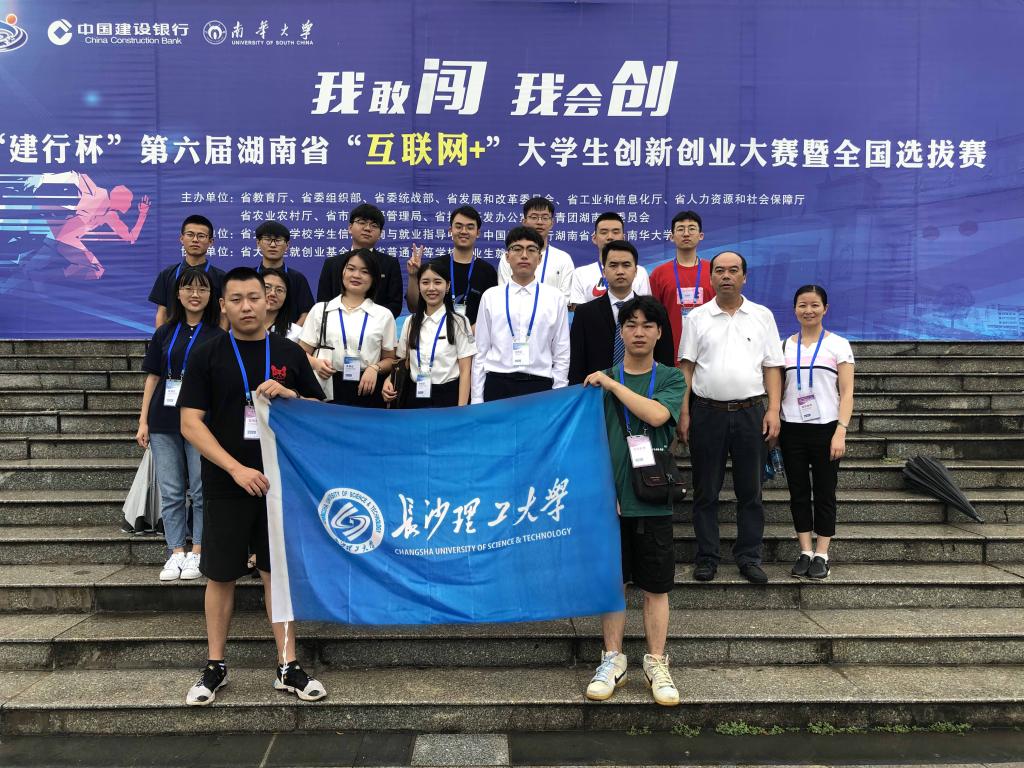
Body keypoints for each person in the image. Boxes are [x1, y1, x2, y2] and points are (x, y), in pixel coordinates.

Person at [178, 266, 327, 706]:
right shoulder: (206, 353)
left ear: (269, 300)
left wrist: (293, 396)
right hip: (227, 482)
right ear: (223, 305)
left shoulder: (289, 353)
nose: (247, 306)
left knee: (275, 573)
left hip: (280, 483)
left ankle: (287, 664)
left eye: (254, 298)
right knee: (220, 574)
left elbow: (320, 413)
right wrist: (235, 469)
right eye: (237, 299)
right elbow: (190, 423)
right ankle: (215, 665)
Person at [582, 296, 686, 707]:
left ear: (659, 333)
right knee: (614, 584)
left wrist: (612, 385)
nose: (638, 332)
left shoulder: (670, 377)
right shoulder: (598, 380)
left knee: (656, 586)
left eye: (647, 325)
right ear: (621, 332)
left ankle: (657, 662)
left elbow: (657, 416)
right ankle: (612, 659)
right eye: (630, 325)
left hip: (653, 498)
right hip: (608, 500)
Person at [678, 251, 784, 584]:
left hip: (751, 412)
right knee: (705, 491)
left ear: (744, 277)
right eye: (720, 271)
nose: (726, 276)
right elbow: (686, 368)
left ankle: (749, 556)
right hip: (706, 413)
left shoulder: (762, 316)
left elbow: (772, 366)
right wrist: (684, 412)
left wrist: (773, 410)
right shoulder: (697, 317)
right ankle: (707, 557)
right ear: (710, 278)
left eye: (733, 270)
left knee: (750, 491)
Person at [136, 266, 224, 581]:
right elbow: (153, 377)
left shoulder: (218, 335)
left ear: (212, 295)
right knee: (172, 490)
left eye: (202, 289)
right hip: (163, 419)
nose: (195, 294)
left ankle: (197, 550)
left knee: (200, 490)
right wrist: (143, 420)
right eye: (188, 288)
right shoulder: (164, 332)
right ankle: (175, 552)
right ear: (178, 294)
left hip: (201, 422)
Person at [780, 285, 855, 580]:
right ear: (794, 309)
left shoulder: (838, 345)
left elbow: (847, 393)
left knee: (825, 492)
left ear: (825, 308)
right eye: (802, 305)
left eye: (814, 305)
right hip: (791, 428)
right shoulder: (784, 346)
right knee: (798, 492)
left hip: (826, 428)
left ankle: (822, 553)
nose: (808, 310)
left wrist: (841, 431)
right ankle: (805, 551)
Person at [472, 226, 570, 403]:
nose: (524, 255)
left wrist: (558, 395)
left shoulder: (555, 298)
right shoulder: (491, 296)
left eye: (531, 250)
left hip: (539, 386)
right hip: (498, 384)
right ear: (507, 256)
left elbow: (561, 351)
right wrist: (477, 399)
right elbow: (481, 351)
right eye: (517, 249)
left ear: (539, 258)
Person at [569, 240, 675, 385]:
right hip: (597, 390)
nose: (620, 271)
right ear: (604, 271)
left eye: (626, 265)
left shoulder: (656, 311)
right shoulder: (585, 313)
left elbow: (665, 358)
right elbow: (577, 363)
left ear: (636, 271)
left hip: (644, 391)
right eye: (613, 265)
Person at [300, 249, 397, 407]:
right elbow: (300, 352)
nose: (356, 275)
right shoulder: (321, 310)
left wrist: (375, 368)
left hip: (367, 387)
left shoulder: (384, 315)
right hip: (327, 385)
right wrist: (316, 363)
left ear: (373, 278)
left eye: (364, 271)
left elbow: (390, 359)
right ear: (342, 272)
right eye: (351, 269)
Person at [22, 170, 151, 280]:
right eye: (128, 201)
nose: (129, 205)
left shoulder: (111, 215)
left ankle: (36, 274)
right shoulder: (97, 193)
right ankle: (39, 275)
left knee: (30, 269)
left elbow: (130, 238)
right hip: (61, 238)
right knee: (96, 270)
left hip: (59, 238)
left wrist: (143, 214)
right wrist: (43, 178)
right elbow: (75, 176)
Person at [383, 262, 476, 408]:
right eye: (425, 282)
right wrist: (388, 379)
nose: (431, 288)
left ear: (447, 286)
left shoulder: (459, 322)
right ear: (419, 286)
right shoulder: (410, 322)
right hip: (413, 396)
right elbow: (402, 362)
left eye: (437, 282)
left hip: (447, 397)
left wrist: (461, 410)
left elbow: (465, 371)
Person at [403, 205, 498, 326]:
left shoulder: (488, 271)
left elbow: (493, 312)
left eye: (470, 227)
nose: (464, 231)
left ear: (478, 233)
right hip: (437, 334)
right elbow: (414, 307)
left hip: (474, 335)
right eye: (458, 226)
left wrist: (472, 331)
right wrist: (413, 276)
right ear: (450, 231)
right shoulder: (435, 266)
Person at [315, 203, 403, 317]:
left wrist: (368, 321)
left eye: (374, 225)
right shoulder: (332, 263)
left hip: (376, 325)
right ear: (350, 228)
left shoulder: (390, 264)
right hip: (337, 324)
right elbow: (323, 302)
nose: (367, 228)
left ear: (380, 233)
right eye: (362, 222)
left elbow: (394, 305)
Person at [649, 211, 715, 357]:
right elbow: (653, 315)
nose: (686, 234)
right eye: (680, 229)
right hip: (670, 351)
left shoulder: (714, 270)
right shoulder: (659, 273)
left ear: (701, 235)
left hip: (709, 350)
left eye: (691, 229)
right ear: (672, 237)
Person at [149, 215, 226, 328]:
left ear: (210, 242)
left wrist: (221, 337)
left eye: (201, 236)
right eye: (190, 235)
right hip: (173, 337)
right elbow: (162, 313)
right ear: (182, 238)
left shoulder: (221, 277)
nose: (195, 240)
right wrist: (160, 338)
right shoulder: (167, 274)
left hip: (210, 338)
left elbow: (223, 314)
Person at [497, 197, 574, 304]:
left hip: (551, 313)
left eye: (545, 218)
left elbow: (565, 297)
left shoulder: (563, 258)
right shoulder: (510, 256)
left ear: (552, 223)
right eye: (534, 217)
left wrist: (540, 309)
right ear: (524, 221)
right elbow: (504, 291)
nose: (539, 222)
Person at [569, 213, 650, 310]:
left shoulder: (640, 272)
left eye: (615, 232)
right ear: (594, 238)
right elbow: (579, 312)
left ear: (624, 238)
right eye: (604, 232)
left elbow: (646, 309)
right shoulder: (581, 274)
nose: (610, 237)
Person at [254, 220, 314, 326]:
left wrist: (291, 334)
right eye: (267, 239)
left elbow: (306, 313)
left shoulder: (297, 279)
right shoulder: (250, 277)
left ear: (287, 245)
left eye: (278, 240)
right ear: (258, 243)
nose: (273, 245)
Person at [261, 268, 302, 342]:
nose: (272, 293)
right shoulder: (241, 327)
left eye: (279, 290)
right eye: (267, 287)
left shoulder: (296, 333)